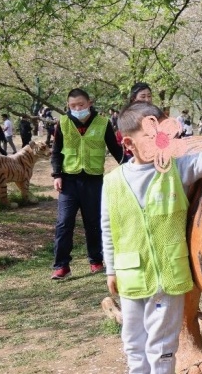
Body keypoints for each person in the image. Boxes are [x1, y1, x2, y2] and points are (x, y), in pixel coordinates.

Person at [102, 102, 202, 374]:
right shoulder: (112, 182)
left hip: (169, 275)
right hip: (131, 275)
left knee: (162, 344)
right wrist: (111, 269)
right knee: (133, 342)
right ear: (129, 143)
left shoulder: (176, 169)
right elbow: (107, 229)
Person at [50, 88, 125, 280]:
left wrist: (131, 166)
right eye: (72, 106)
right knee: (64, 222)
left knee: (93, 222)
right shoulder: (63, 122)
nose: (77, 108)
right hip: (69, 179)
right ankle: (61, 266)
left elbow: (115, 149)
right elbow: (56, 150)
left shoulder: (102, 123)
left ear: (89, 103)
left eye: (80, 105)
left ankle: (95, 260)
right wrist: (56, 174)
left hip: (93, 179)